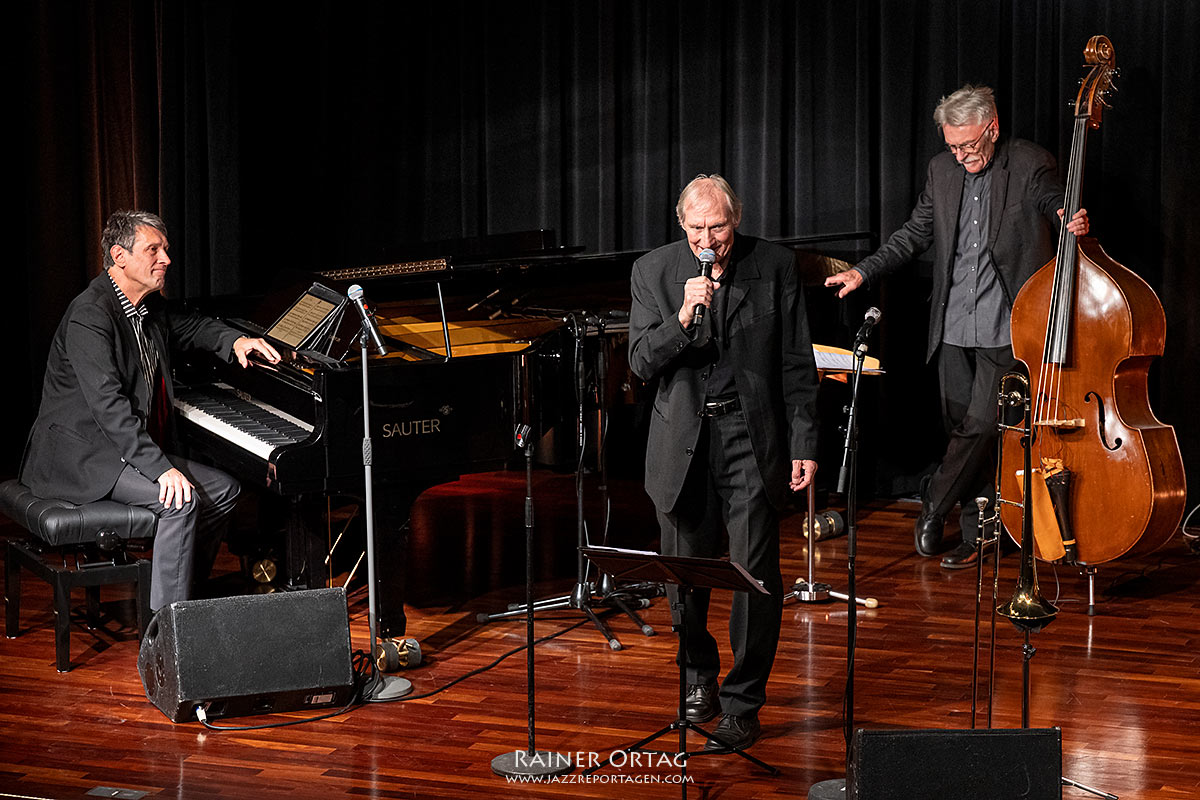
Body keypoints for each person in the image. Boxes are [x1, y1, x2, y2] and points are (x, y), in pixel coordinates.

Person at [825, 85, 1088, 569]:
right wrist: (864, 270)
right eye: (952, 145)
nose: (961, 154)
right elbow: (914, 234)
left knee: (985, 425)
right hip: (951, 325)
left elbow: (1052, 198)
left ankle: (933, 504)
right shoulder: (941, 171)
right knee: (963, 433)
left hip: (1007, 324)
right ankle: (978, 533)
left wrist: (1065, 215)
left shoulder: (1028, 162)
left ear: (992, 128)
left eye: (969, 144)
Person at [629, 174, 819, 750]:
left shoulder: (776, 265)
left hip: (749, 436)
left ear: (735, 221)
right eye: (697, 229)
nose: (709, 239)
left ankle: (743, 703)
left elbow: (795, 360)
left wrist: (804, 442)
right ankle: (698, 678)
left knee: (753, 575)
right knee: (683, 574)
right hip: (681, 440)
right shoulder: (653, 272)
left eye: (719, 227)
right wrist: (683, 318)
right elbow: (640, 363)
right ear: (680, 225)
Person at [19, 210, 281, 611]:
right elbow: (109, 409)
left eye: (166, 249)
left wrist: (236, 341)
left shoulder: (147, 305)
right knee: (179, 500)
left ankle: (183, 598)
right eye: (153, 250)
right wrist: (161, 469)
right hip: (82, 456)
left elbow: (192, 327)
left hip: (118, 449)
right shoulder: (90, 315)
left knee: (224, 491)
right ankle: (167, 627)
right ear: (119, 256)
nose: (166, 259)